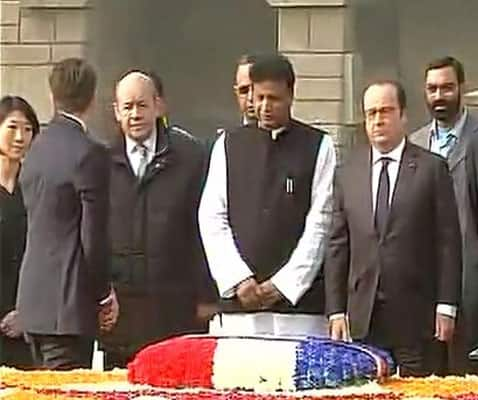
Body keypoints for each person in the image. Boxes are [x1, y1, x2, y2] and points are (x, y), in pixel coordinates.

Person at [325, 80, 462, 376]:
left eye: (386, 111)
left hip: (417, 315)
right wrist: (336, 309)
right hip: (363, 316)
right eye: (371, 113)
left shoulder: (431, 168)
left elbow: (448, 243)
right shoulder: (348, 172)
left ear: (403, 116)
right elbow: (338, 245)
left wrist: (447, 305)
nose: (377, 120)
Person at [199, 53, 335, 336]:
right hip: (240, 307)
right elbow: (212, 217)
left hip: (299, 311)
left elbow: (321, 223)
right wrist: (239, 279)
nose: (263, 106)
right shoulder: (228, 144)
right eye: (258, 97)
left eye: (272, 99)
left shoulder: (318, 146)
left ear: (291, 95)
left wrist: (284, 285)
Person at [99, 71, 216, 368]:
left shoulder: (190, 156)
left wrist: (206, 294)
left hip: (176, 304)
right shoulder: (100, 160)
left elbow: (203, 227)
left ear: (159, 106)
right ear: (116, 111)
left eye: (142, 105)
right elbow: (94, 230)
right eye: (127, 107)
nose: (135, 115)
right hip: (122, 306)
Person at [16, 58, 117, 370]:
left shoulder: (35, 150)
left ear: (53, 95)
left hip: (33, 302)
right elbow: (93, 236)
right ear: (91, 97)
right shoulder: (91, 153)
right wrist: (104, 294)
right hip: (69, 305)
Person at [410, 56, 478, 375]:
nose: (439, 96)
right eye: (432, 89)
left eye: (447, 88)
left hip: (475, 273)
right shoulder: (415, 142)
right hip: (428, 276)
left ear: (462, 88)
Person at [0, 96, 40, 369]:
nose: (20, 137)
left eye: (28, 129)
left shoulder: (35, 185)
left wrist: (25, 312)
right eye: (12, 127)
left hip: (27, 323)